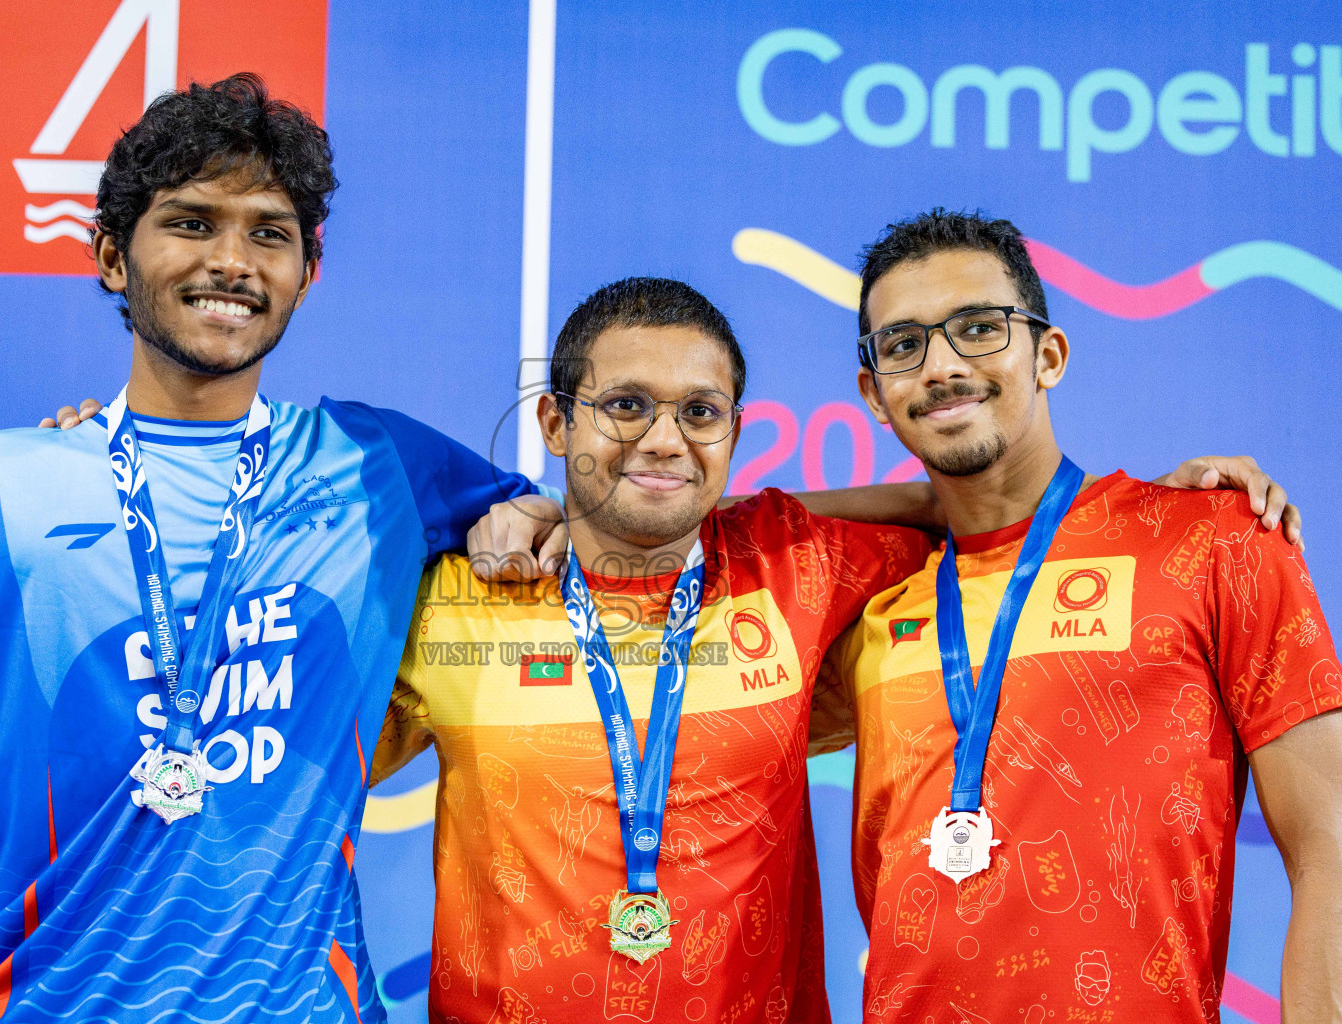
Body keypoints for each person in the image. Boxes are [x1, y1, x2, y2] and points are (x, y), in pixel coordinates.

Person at [365, 278, 1299, 1023]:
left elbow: (972, 507)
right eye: (625, 407)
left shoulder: (798, 567)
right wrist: (558, 511)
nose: (664, 438)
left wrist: (1189, 500)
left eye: (701, 414)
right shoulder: (455, 601)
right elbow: (296, 774)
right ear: (556, 425)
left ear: (735, 432)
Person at [0, 74, 562, 1023]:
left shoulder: (381, 463)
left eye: (269, 233)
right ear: (110, 255)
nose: (232, 260)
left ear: (308, 272)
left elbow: (625, 523)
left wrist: (529, 513)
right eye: (190, 223)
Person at [819, 209, 1341, 1021]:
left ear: (1049, 354)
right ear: (874, 394)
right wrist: (574, 523)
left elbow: (1331, 846)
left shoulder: (1212, 538)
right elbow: (689, 532)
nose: (943, 365)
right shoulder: (868, 598)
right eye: (903, 345)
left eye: (979, 329)